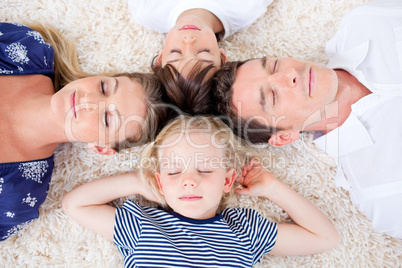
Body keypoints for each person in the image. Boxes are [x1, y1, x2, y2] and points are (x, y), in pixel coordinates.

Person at [213, 0, 402, 238]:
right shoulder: (382, 193)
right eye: (272, 97)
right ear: (283, 137)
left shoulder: (366, 22)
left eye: (273, 66)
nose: (289, 74)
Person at [62, 115, 339, 267]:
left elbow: (324, 238)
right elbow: (75, 205)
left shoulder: (245, 230)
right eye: (173, 172)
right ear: (160, 182)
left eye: (205, 170)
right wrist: (138, 182)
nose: (189, 181)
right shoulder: (142, 225)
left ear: (227, 181)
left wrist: (273, 189)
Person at [0, 22, 168, 241]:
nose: (88, 100)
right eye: (104, 88)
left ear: (101, 148)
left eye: (107, 118)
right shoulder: (25, 50)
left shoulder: (18, 195)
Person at [127, 0, 273, 115]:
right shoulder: (245, 7)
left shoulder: (146, 11)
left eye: (175, 52)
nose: (188, 40)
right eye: (204, 52)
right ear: (222, 57)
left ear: (160, 58)